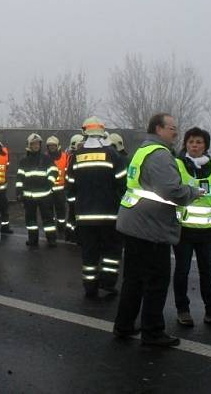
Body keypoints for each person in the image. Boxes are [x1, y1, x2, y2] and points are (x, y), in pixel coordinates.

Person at [113, 113, 202, 347]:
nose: (176, 132)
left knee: (133, 279)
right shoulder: (160, 155)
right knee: (157, 280)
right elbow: (172, 191)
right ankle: (152, 332)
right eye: (172, 127)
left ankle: (123, 325)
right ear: (159, 128)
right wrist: (193, 192)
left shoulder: (143, 149)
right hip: (150, 227)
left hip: (134, 222)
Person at [172, 127, 211, 328]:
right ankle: (183, 310)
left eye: (198, 142)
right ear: (185, 144)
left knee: (207, 272)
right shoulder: (177, 164)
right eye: (191, 142)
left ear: (205, 145)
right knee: (182, 271)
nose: (194, 145)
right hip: (183, 230)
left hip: (207, 231)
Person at [66, 117, 126, 297]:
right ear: (103, 131)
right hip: (110, 217)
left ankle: (90, 288)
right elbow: (123, 185)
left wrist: (77, 207)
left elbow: (69, 187)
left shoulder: (76, 156)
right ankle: (108, 283)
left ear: (84, 132)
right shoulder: (113, 154)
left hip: (85, 218)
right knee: (111, 252)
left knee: (89, 255)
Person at [17, 133, 57, 247]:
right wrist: (19, 193)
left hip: (45, 195)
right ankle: (33, 240)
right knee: (31, 221)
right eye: (33, 144)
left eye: (38, 144)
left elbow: (54, 172)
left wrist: (49, 184)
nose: (36, 146)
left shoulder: (46, 158)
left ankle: (51, 240)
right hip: (29, 197)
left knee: (48, 219)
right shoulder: (24, 161)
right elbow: (20, 178)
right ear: (29, 145)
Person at [63, 134, 84, 243]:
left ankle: (70, 234)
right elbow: (71, 177)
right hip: (74, 191)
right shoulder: (73, 157)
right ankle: (73, 235)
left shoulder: (71, 155)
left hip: (73, 191)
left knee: (72, 216)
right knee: (74, 216)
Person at [46, 136, 69, 237]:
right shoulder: (45, 157)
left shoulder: (65, 156)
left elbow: (68, 171)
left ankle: (61, 228)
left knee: (61, 211)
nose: (52, 147)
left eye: (53, 145)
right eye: (50, 146)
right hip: (48, 190)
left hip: (61, 190)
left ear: (58, 146)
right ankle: (51, 229)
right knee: (49, 211)